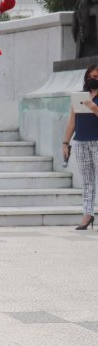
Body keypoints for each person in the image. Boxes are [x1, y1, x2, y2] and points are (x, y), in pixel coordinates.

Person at [63, 65, 98, 230]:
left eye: (97, 76)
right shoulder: (80, 97)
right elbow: (72, 121)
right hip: (81, 142)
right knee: (87, 181)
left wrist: (93, 108)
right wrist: (65, 143)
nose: (93, 79)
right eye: (91, 76)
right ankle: (87, 214)